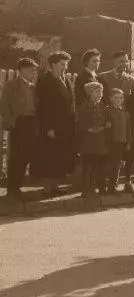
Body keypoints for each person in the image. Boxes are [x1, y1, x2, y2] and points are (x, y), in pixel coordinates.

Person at [32, 51, 77, 197]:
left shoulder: (66, 80)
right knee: (48, 155)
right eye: (62, 64)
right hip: (51, 126)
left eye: (66, 64)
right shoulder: (46, 81)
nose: (65, 67)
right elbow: (43, 107)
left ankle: (55, 185)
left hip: (64, 125)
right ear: (53, 64)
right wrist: (48, 128)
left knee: (59, 155)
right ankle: (46, 187)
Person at [0, 58, 39, 201]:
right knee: (16, 157)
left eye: (34, 70)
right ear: (21, 69)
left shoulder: (32, 87)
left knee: (25, 157)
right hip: (19, 123)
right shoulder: (11, 85)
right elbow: (4, 106)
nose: (33, 73)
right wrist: (12, 122)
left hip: (31, 123)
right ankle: (12, 189)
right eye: (31, 70)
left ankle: (18, 187)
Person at [77, 82, 109, 197]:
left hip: (100, 141)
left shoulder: (102, 106)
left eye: (101, 91)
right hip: (88, 141)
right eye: (97, 92)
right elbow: (83, 124)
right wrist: (95, 129)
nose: (100, 94)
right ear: (90, 93)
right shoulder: (84, 107)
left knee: (96, 165)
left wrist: (106, 125)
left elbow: (106, 120)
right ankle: (85, 189)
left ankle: (93, 187)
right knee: (87, 167)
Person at [105, 88, 131, 194]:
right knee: (110, 164)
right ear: (111, 99)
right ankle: (106, 184)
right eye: (116, 98)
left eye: (121, 97)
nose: (118, 100)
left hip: (122, 141)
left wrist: (129, 142)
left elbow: (129, 129)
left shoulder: (125, 113)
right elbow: (105, 124)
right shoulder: (107, 110)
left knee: (118, 164)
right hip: (111, 141)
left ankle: (113, 184)